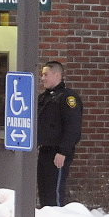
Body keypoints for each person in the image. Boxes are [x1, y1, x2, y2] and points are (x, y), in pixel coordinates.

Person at [36, 60, 83, 207]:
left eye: (46, 75)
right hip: (44, 150)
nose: (43, 78)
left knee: (54, 193)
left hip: (58, 153)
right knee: (44, 191)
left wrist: (63, 151)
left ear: (57, 75)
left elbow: (73, 127)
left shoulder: (68, 98)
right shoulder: (44, 98)